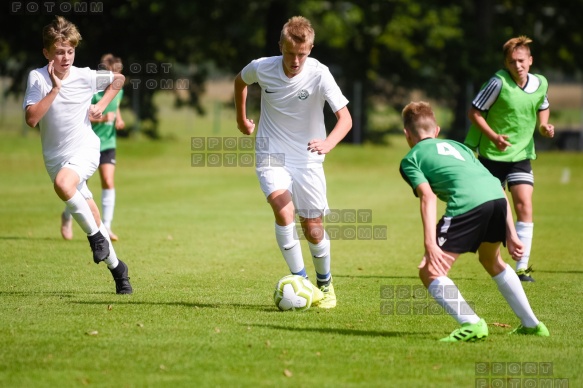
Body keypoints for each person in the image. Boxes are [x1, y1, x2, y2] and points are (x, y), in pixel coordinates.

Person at [399, 101, 549, 342]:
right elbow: (495, 185)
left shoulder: (411, 159)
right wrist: (511, 232)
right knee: (491, 259)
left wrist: (430, 242)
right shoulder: (460, 147)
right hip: (497, 200)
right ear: (436, 131)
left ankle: (471, 324)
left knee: (430, 271)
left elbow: (427, 196)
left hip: (468, 204)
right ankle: (532, 325)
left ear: (407, 134)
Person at [234, 16, 352, 308]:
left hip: (308, 159)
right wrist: (241, 119)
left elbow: (346, 119)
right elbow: (240, 81)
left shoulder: (320, 74)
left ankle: (326, 285)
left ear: (310, 48)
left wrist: (328, 143)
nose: (296, 60)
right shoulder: (262, 67)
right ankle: (302, 281)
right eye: (290, 53)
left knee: (312, 227)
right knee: (282, 209)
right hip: (271, 153)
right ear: (280, 46)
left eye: (302, 53)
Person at [23, 16, 132, 294]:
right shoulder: (37, 77)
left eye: (70, 51)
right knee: (91, 213)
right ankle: (119, 270)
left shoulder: (84, 75)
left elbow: (118, 79)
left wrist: (103, 105)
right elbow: (32, 119)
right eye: (59, 52)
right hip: (56, 159)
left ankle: (96, 239)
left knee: (63, 184)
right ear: (47, 53)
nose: (66, 57)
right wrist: (55, 89)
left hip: (85, 149)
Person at [465, 36, 555, 282]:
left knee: (524, 204)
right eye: (512, 62)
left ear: (530, 60)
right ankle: (495, 256)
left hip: (521, 155)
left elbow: (542, 105)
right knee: (499, 208)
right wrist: (494, 136)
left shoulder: (540, 83)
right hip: (492, 156)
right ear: (506, 63)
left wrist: (544, 125)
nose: (518, 66)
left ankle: (522, 268)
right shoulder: (497, 83)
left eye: (522, 60)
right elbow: (474, 111)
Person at [61, 54, 125, 242]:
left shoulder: (118, 90)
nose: (115, 80)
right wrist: (105, 118)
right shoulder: (91, 91)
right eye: (112, 75)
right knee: (80, 187)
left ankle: (107, 225)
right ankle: (66, 216)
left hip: (107, 144)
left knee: (108, 180)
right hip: (86, 144)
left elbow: (116, 104)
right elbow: (83, 117)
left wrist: (119, 118)